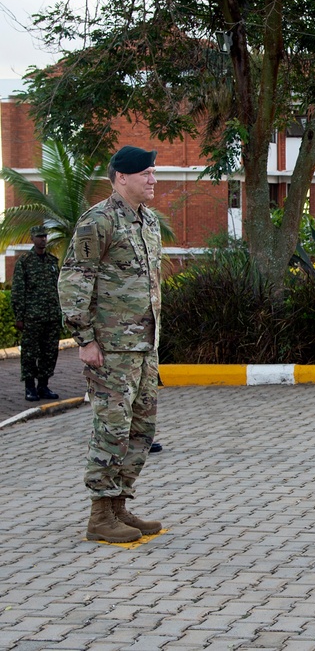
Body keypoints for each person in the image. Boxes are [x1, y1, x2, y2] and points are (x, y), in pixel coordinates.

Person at [59, 145, 164, 544]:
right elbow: (74, 281)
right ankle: (99, 515)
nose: (153, 180)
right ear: (122, 177)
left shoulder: (148, 221)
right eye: (147, 174)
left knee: (141, 428)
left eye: (153, 173)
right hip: (110, 348)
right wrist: (84, 339)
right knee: (112, 429)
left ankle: (119, 505)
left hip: (144, 346)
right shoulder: (98, 220)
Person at [11, 224, 62, 402]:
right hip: (32, 317)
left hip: (51, 316)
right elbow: (18, 290)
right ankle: (30, 387)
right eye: (39, 236)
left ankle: (43, 386)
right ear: (32, 239)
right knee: (30, 354)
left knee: (49, 353)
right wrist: (19, 316)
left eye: (45, 236)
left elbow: (59, 288)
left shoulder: (52, 262)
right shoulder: (25, 261)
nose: (43, 239)